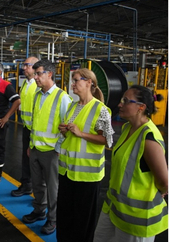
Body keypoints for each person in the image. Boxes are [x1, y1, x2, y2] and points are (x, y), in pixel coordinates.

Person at [94, 85, 168, 242]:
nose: (120, 104)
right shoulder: (128, 128)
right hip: (114, 207)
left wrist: (160, 190)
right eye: (122, 100)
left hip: (137, 218)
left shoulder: (149, 139)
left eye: (126, 101)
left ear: (141, 107)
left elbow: (164, 182)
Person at [56, 68, 114, 242]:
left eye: (76, 80)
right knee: (65, 216)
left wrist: (81, 134)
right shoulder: (73, 106)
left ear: (89, 82)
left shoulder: (101, 109)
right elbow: (71, 138)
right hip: (67, 172)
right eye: (72, 81)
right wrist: (65, 131)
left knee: (82, 221)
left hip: (87, 175)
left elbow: (107, 140)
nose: (72, 84)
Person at [22, 60, 72, 235]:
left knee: (53, 188)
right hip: (35, 148)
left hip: (51, 152)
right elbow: (35, 122)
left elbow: (66, 127)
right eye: (35, 74)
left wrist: (58, 149)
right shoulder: (37, 95)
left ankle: (53, 219)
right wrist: (30, 145)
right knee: (37, 185)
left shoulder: (62, 97)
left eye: (38, 74)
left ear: (50, 74)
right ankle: (39, 210)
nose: (35, 77)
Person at [11, 56, 39, 197]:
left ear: (34, 67)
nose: (23, 67)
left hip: (37, 130)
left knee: (35, 161)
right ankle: (26, 185)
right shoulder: (25, 84)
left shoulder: (37, 86)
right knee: (26, 158)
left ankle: (37, 192)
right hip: (27, 127)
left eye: (27, 65)